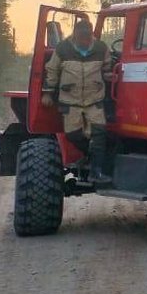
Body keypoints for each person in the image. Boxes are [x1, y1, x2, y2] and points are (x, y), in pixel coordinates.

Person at [41, 19, 113, 185]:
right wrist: (47, 93)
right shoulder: (62, 49)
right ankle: (89, 153)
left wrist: (108, 75)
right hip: (70, 100)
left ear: (91, 36)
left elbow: (107, 66)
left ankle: (96, 173)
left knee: (100, 133)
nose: (85, 42)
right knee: (72, 134)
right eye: (81, 38)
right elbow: (52, 70)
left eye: (88, 39)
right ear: (74, 35)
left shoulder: (101, 48)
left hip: (94, 99)